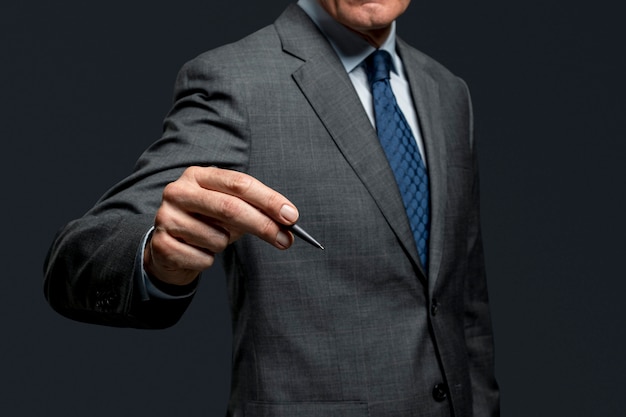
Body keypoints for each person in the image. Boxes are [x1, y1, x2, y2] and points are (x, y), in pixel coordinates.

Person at [44, 0, 500, 415]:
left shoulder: (447, 92)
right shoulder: (236, 81)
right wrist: (154, 257)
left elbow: (464, 304)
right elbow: (76, 258)